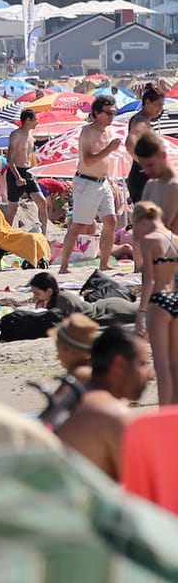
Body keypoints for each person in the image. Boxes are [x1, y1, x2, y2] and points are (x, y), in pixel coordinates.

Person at [54, 325, 150, 479]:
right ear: (120, 364)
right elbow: (142, 484)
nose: (150, 375)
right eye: (143, 364)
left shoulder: (79, 392)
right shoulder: (113, 415)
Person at [57, 96, 122, 275]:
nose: (112, 116)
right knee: (78, 225)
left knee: (111, 221)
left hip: (102, 182)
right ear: (96, 113)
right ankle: (64, 266)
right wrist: (109, 149)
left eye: (114, 112)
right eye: (108, 113)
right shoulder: (88, 131)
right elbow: (88, 160)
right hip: (86, 182)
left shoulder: (107, 131)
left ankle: (103, 263)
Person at [130, 200, 178, 406]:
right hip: (175, 298)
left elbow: (148, 279)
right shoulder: (175, 238)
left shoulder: (149, 241)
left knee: (161, 363)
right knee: (175, 363)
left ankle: (165, 412)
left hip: (159, 300)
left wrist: (141, 312)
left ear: (141, 221)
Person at [4, 110, 49, 235]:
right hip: (15, 172)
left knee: (42, 202)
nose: (37, 122)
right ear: (28, 120)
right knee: (13, 209)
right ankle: (5, 236)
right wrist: (17, 177)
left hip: (28, 172)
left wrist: (35, 170)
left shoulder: (31, 135)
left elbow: (30, 156)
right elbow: (10, 159)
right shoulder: (16, 134)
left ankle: (44, 235)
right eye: (35, 119)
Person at [125, 85, 166, 205]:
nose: (160, 109)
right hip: (142, 179)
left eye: (162, 105)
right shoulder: (140, 122)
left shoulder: (144, 120)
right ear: (147, 102)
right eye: (158, 104)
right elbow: (130, 144)